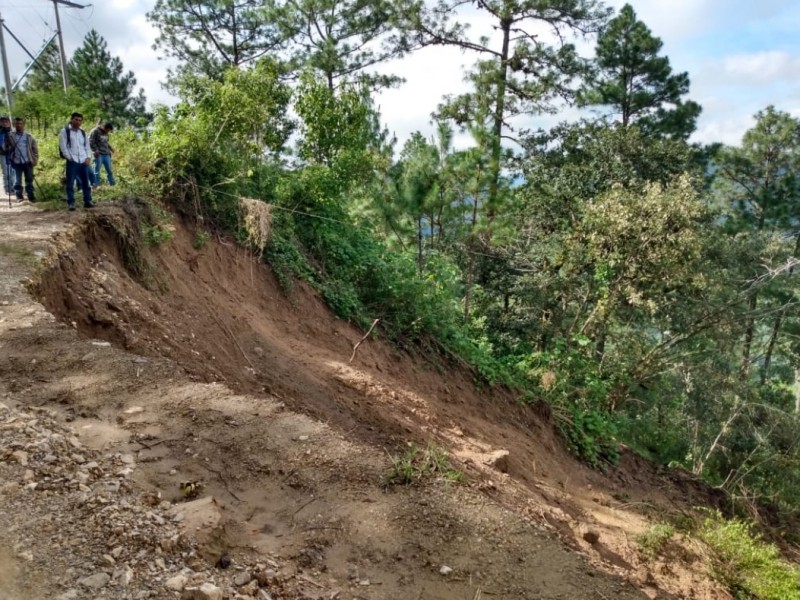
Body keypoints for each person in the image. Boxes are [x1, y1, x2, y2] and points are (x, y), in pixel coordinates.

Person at [58, 112, 94, 210]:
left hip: (83, 161)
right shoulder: (65, 131)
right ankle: (71, 203)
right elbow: (63, 147)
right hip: (72, 161)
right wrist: (70, 158)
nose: (78, 122)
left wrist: (88, 157)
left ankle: (88, 201)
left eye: (80, 120)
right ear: (72, 120)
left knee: (86, 182)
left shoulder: (82, 132)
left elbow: (87, 146)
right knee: (70, 183)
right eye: (76, 120)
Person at [4, 117, 38, 202]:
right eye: (17, 124)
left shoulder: (29, 136)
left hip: (28, 161)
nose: (19, 125)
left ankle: (31, 196)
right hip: (16, 161)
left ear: (23, 125)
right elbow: (5, 148)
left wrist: (35, 159)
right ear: (14, 125)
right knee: (17, 181)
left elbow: (35, 149)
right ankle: (19, 196)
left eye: (20, 124)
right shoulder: (10, 135)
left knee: (29, 180)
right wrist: (7, 145)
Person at [89, 121, 116, 187]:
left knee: (109, 170)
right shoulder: (95, 131)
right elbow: (90, 141)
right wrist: (95, 150)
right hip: (98, 154)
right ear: (104, 127)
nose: (108, 131)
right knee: (96, 170)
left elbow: (106, 142)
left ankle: (112, 184)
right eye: (108, 130)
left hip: (106, 154)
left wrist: (111, 148)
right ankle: (95, 185)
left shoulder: (106, 133)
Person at [0, 115, 16, 197]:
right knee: (6, 172)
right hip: (3, 155)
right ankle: (7, 189)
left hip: (12, 154)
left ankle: (13, 187)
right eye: (2, 122)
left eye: (6, 121)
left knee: (13, 172)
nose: (4, 123)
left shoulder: (13, 132)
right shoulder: (0, 133)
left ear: (9, 122)